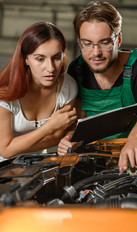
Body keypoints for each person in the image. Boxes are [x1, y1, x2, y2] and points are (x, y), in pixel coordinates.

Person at [57, 1, 137, 171]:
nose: (96, 52)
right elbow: (78, 117)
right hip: (96, 162)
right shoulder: (77, 69)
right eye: (88, 43)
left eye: (104, 42)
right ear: (80, 42)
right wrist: (69, 138)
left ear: (118, 39)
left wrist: (136, 136)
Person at [0, 21, 78, 162]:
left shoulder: (67, 86)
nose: (50, 68)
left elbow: (57, 136)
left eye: (56, 58)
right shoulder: (4, 92)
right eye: (40, 59)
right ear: (25, 59)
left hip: (36, 166)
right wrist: (48, 127)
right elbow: (5, 151)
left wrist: (15, 146)